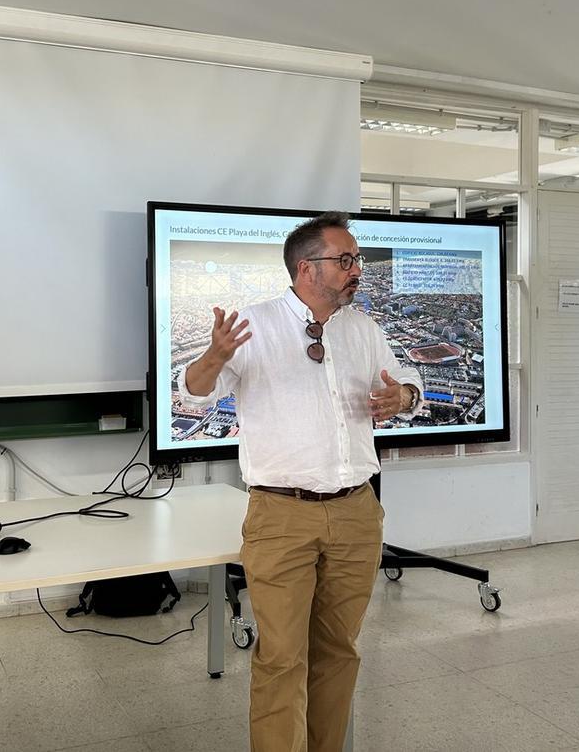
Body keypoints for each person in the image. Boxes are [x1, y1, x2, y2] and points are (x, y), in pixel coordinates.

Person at [181, 211, 424, 752]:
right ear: (305, 268)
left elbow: (409, 383)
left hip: (357, 510)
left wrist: (404, 396)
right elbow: (194, 393)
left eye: (357, 259)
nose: (357, 269)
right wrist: (214, 356)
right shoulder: (255, 324)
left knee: (339, 649)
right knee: (282, 656)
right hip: (281, 514)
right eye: (346, 260)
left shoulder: (362, 328)